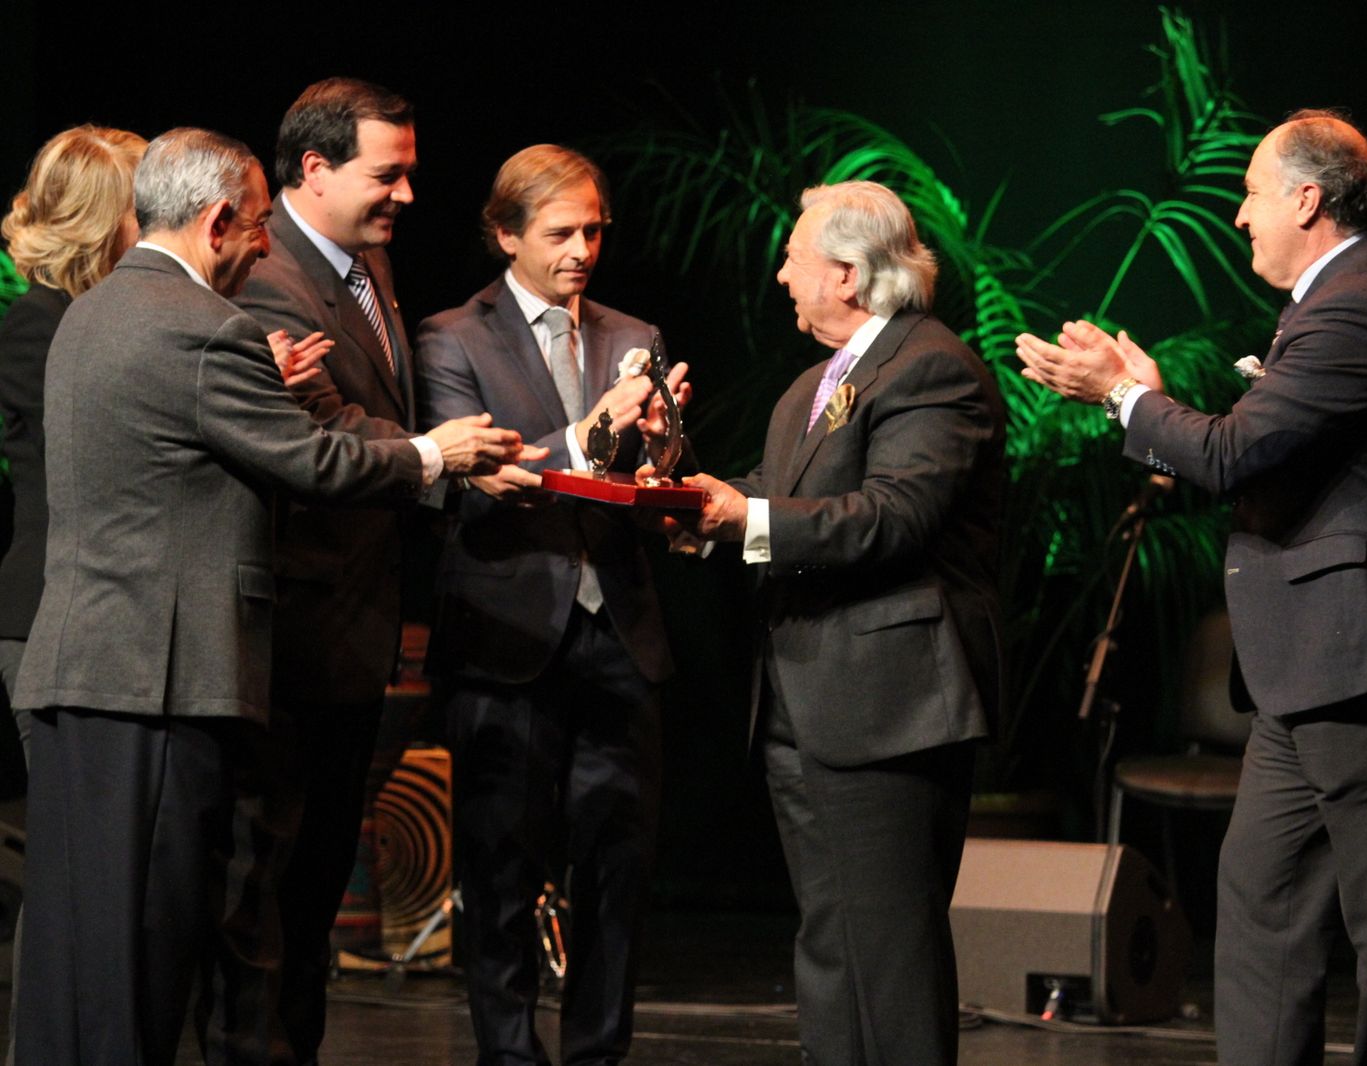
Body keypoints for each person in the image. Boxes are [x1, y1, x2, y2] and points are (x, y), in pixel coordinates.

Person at [8, 127, 519, 1066]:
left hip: (82, 667)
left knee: (75, 944)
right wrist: (433, 454)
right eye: (253, 233)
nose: (260, 251)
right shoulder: (205, 328)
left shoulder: (92, 310)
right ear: (216, 222)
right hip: (162, 683)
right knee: (146, 944)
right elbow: (312, 461)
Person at [1015, 110, 1367, 1066]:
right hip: (1309, 671)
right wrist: (1146, 395)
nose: (1237, 216)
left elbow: (1232, 455)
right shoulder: (1336, 302)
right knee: (1263, 900)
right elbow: (1261, 452)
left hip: (1364, 664)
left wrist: (1122, 395)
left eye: (1250, 194)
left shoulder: (1359, 303)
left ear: (1307, 199)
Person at [229, 77, 529, 1064]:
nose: (405, 192)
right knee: (267, 893)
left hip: (352, 629)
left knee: (312, 890)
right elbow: (313, 435)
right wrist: (440, 456)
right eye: (385, 172)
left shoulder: (365, 267)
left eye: (409, 171)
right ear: (312, 169)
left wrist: (456, 459)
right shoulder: (267, 275)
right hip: (293, 632)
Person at [672, 180, 1005, 1066]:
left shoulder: (932, 368)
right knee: (831, 946)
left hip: (888, 708)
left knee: (889, 954)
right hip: (802, 701)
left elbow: (892, 516)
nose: (781, 273)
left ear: (850, 274)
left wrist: (742, 520)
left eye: (793, 254)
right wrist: (678, 496)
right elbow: (778, 500)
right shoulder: (813, 387)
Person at [416, 144, 690, 1065]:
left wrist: (662, 453)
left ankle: (598, 1054)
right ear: (506, 234)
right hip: (507, 638)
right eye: (560, 233)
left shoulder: (632, 331)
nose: (582, 250)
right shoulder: (452, 336)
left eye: (594, 231)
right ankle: (506, 1055)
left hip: (617, 632)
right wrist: (596, 426)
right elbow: (483, 475)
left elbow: (660, 485)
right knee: (500, 869)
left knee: (617, 869)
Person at [0, 121, 146, 1066]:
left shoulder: (101, 319)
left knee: (89, 869)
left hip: (92, 614)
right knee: (58, 866)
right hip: (45, 616)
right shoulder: (37, 327)